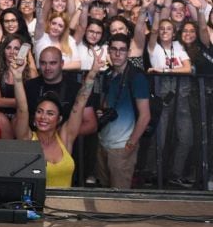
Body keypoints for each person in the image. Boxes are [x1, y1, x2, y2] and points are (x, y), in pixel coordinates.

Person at [12, 50, 101, 188]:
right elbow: (22, 109)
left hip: (64, 206)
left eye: (50, 113)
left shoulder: (65, 138)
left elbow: (80, 103)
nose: (43, 117)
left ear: (59, 119)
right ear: (34, 118)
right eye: (40, 112)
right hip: (35, 206)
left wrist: (93, 72)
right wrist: (17, 78)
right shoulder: (27, 139)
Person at [95, 33, 152, 189]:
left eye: (122, 50)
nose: (118, 54)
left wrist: (131, 143)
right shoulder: (106, 74)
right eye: (114, 49)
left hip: (122, 146)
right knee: (105, 193)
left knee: (119, 197)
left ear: (128, 52)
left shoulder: (136, 77)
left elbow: (145, 115)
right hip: (103, 142)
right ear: (109, 50)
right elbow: (105, 105)